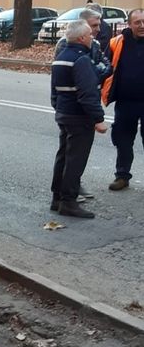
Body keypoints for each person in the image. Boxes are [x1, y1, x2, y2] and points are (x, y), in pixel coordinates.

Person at [50, 19, 108, 218]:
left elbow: (55, 91)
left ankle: (57, 198)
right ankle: (68, 202)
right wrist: (98, 119)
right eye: (90, 35)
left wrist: (58, 108)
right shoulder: (81, 59)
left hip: (65, 114)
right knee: (76, 160)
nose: (92, 37)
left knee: (63, 156)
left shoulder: (60, 57)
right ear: (82, 38)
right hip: (79, 117)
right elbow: (88, 93)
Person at [101, 8, 144, 191]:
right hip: (126, 102)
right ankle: (122, 176)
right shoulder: (116, 43)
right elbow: (104, 67)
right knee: (123, 140)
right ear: (129, 24)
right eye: (138, 22)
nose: (142, 26)